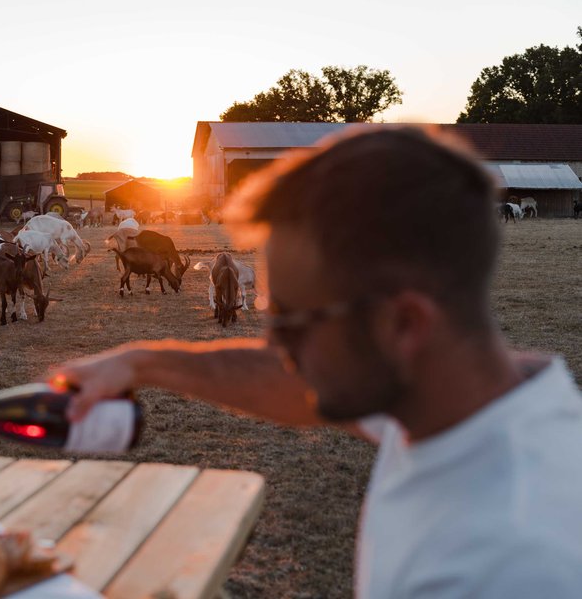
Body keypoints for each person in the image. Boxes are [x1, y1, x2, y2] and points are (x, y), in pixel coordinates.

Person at [50, 126, 582, 598]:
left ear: (403, 325)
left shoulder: (513, 567)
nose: (277, 347)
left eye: (293, 322)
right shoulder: (444, 401)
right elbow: (291, 382)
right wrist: (141, 363)